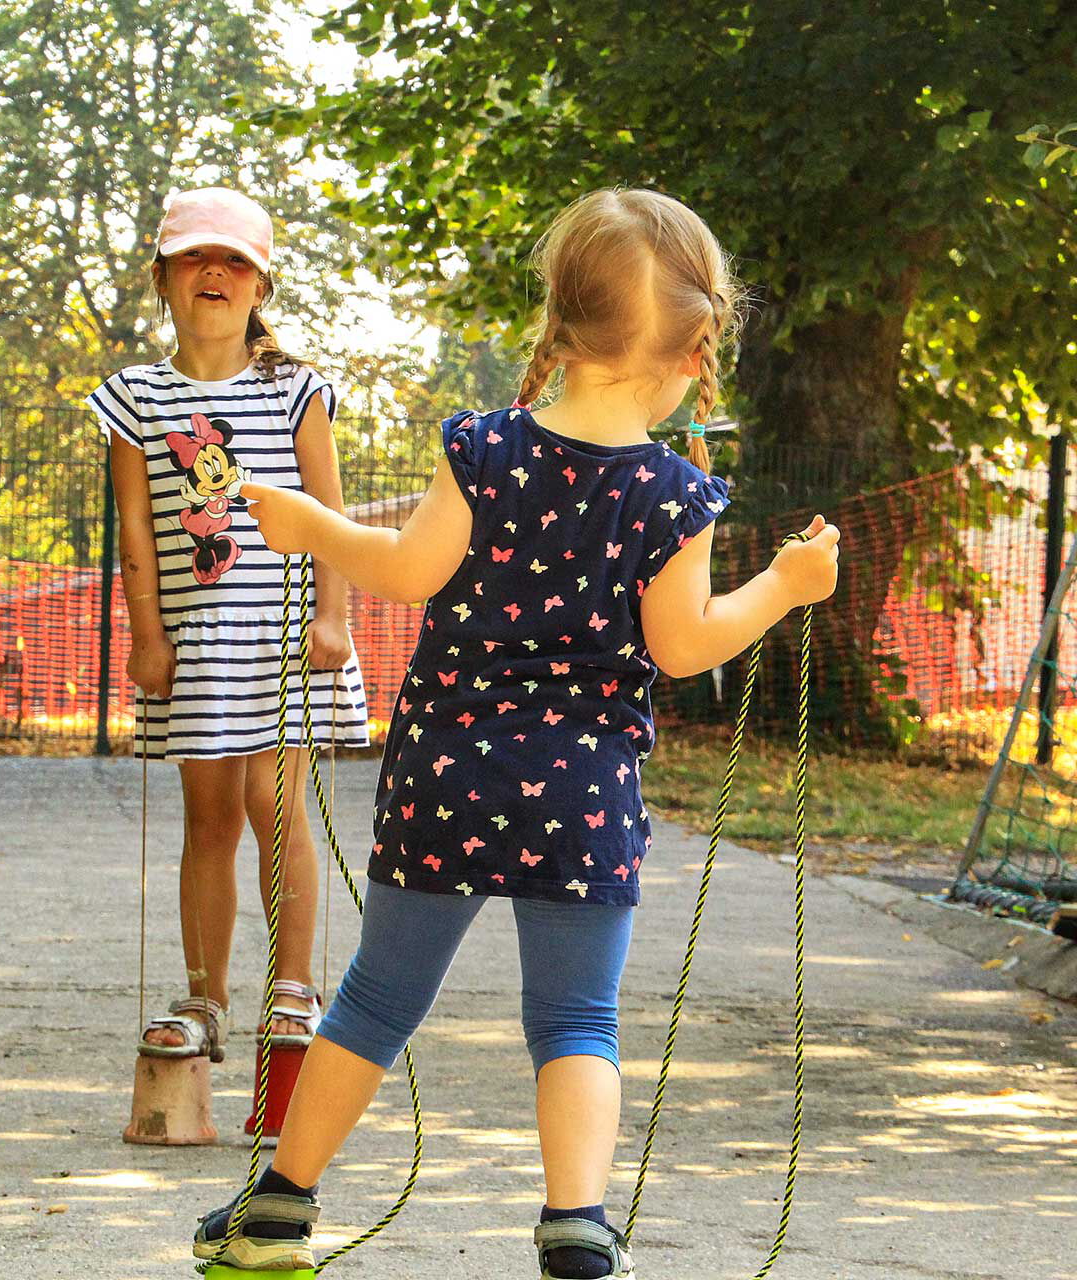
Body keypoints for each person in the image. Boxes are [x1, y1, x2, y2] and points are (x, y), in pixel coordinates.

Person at [190, 187, 840, 1279]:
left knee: (375, 999)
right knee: (577, 1017)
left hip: (444, 768)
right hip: (582, 789)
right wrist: (783, 583)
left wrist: (307, 523)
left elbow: (402, 572)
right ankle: (576, 1227)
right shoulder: (674, 494)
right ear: (693, 350)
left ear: (559, 321)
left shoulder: (484, 449)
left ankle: (278, 1210)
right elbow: (684, 647)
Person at [84, 187, 371, 1065]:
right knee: (209, 818)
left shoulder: (296, 390)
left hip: (285, 635)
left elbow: (331, 509)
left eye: (236, 260)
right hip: (198, 640)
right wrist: (147, 637)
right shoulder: (135, 397)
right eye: (196, 258)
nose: (216, 272)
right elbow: (136, 527)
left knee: (275, 805)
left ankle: (293, 994)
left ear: (261, 286)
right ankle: (204, 998)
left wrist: (334, 614)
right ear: (164, 278)